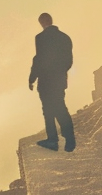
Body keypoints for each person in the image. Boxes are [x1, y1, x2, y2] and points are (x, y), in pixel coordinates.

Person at [29, 12, 75, 152]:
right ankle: (69, 139)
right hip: (59, 79)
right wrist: (60, 73)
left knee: (48, 110)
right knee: (60, 107)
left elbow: (39, 59)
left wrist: (32, 78)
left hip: (46, 80)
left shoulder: (40, 38)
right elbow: (69, 61)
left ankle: (53, 140)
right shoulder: (65, 38)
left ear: (42, 22)